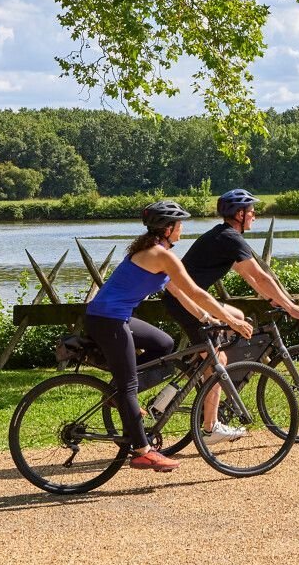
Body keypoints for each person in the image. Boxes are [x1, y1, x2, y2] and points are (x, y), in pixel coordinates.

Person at [83, 200, 253, 474]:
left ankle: (120, 394)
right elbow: (198, 292)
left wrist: (206, 318)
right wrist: (232, 320)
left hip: (114, 317)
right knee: (128, 386)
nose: (182, 229)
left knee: (164, 345)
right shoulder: (161, 255)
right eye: (179, 224)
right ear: (168, 228)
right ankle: (142, 451)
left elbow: (179, 292)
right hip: (108, 321)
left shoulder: (154, 252)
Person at [166, 188, 299, 440]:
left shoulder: (223, 237)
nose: (255, 215)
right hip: (186, 303)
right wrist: (289, 305)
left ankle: (193, 376)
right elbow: (260, 276)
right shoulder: (230, 238)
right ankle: (211, 426)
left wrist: (274, 298)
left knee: (238, 316)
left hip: (185, 300)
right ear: (239, 214)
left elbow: (252, 277)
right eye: (251, 211)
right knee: (217, 362)